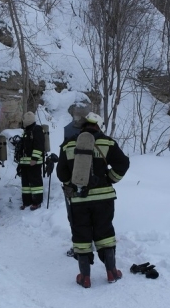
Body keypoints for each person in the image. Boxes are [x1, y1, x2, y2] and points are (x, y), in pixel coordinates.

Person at [56, 112, 130, 288]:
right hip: (104, 198)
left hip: (79, 199)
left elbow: (61, 173)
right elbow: (123, 163)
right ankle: (111, 272)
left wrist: (72, 185)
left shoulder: (68, 144)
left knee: (81, 235)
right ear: (99, 126)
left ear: (83, 126)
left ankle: (85, 277)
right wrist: (110, 179)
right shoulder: (107, 142)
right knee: (105, 233)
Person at [63, 115, 86, 258]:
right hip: (93, 189)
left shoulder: (67, 145)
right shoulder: (94, 141)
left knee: (75, 218)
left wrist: (67, 183)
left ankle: (79, 248)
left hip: (72, 190)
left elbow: (61, 172)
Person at [18, 111, 45, 210]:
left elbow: (39, 145)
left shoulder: (36, 129)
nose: (23, 121)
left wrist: (34, 159)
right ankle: (27, 201)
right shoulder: (26, 131)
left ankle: (37, 202)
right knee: (25, 184)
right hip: (25, 163)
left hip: (34, 163)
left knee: (35, 183)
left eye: (24, 119)